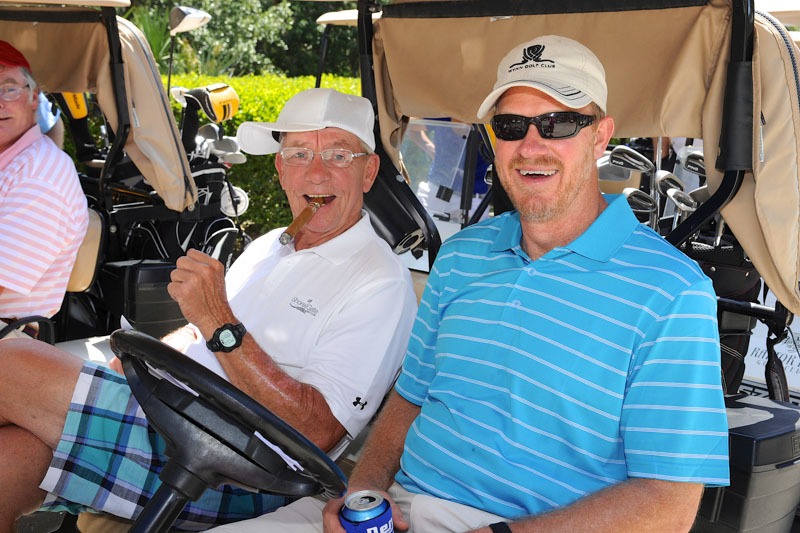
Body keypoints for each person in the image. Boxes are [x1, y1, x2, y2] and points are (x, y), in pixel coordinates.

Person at [211, 35, 730, 533]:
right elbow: (409, 399)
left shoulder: (671, 291)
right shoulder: (462, 255)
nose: (531, 146)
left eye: (558, 123)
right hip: (399, 511)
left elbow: (669, 505)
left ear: (600, 135)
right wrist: (363, 491)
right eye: (510, 125)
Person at [0, 87, 418, 530]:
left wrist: (220, 321)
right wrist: (147, 359)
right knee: (9, 461)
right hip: (171, 414)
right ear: (280, 170)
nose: (316, 173)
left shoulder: (381, 282)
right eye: (298, 154)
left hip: (239, 469)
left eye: (338, 155)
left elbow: (318, 433)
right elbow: (200, 332)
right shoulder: (269, 246)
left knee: (9, 361)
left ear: (368, 172)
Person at [0, 40, 88, 338]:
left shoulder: (39, 175)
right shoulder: (11, 162)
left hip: (9, 341)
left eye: (9, 88)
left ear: (34, 97)